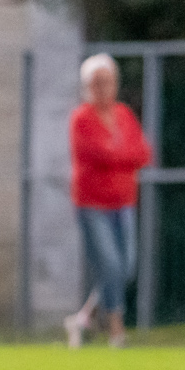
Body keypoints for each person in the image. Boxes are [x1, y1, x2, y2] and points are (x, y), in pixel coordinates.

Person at [65, 53, 152, 349]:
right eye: (96, 83)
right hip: (93, 205)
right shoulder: (81, 119)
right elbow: (98, 155)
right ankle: (116, 329)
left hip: (123, 201)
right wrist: (120, 156)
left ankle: (83, 317)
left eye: (108, 82)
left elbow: (143, 153)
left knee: (125, 267)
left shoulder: (125, 115)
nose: (103, 88)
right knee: (110, 265)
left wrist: (118, 156)